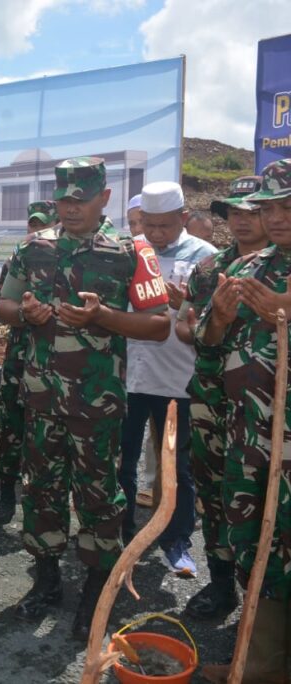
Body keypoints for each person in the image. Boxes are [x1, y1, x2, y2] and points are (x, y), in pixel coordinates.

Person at [0, 157, 171, 640]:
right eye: (63, 199)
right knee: (42, 489)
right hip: (41, 398)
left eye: (80, 199)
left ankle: (98, 584)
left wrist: (103, 318)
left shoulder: (132, 251)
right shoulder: (33, 248)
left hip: (97, 404)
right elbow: (0, 304)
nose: (69, 208)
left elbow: (158, 325)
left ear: (104, 198)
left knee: (99, 495)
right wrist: (24, 313)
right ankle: (46, 580)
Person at [196, 158, 291, 683]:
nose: (276, 218)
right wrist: (220, 322)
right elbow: (209, 354)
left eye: (287, 207)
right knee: (258, 546)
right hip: (251, 442)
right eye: (269, 208)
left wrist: (286, 310)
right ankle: (258, 665)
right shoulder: (245, 270)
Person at [176, 175, 266, 620]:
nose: (243, 221)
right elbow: (186, 328)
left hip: (263, 411)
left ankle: (263, 598)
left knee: (261, 497)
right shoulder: (210, 271)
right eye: (235, 213)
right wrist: (199, 327)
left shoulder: (281, 270)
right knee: (213, 494)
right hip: (211, 401)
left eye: (253, 212)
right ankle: (221, 584)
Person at [119, 182, 216, 578]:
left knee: (176, 467)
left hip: (178, 378)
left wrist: (188, 306)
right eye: (147, 225)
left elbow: (215, 322)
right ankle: (122, 535)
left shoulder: (205, 257)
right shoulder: (129, 252)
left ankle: (176, 542)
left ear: (182, 218)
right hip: (127, 375)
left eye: (163, 226)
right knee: (121, 462)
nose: (155, 234)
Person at [0, 200, 59, 524]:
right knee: (11, 425)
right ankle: (5, 494)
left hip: (57, 364)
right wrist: (23, 314)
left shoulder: (71, 263)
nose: (36, 230)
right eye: (32, 224)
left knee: (50, 437)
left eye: (42, 224)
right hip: (19, 358)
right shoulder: (18, 259)